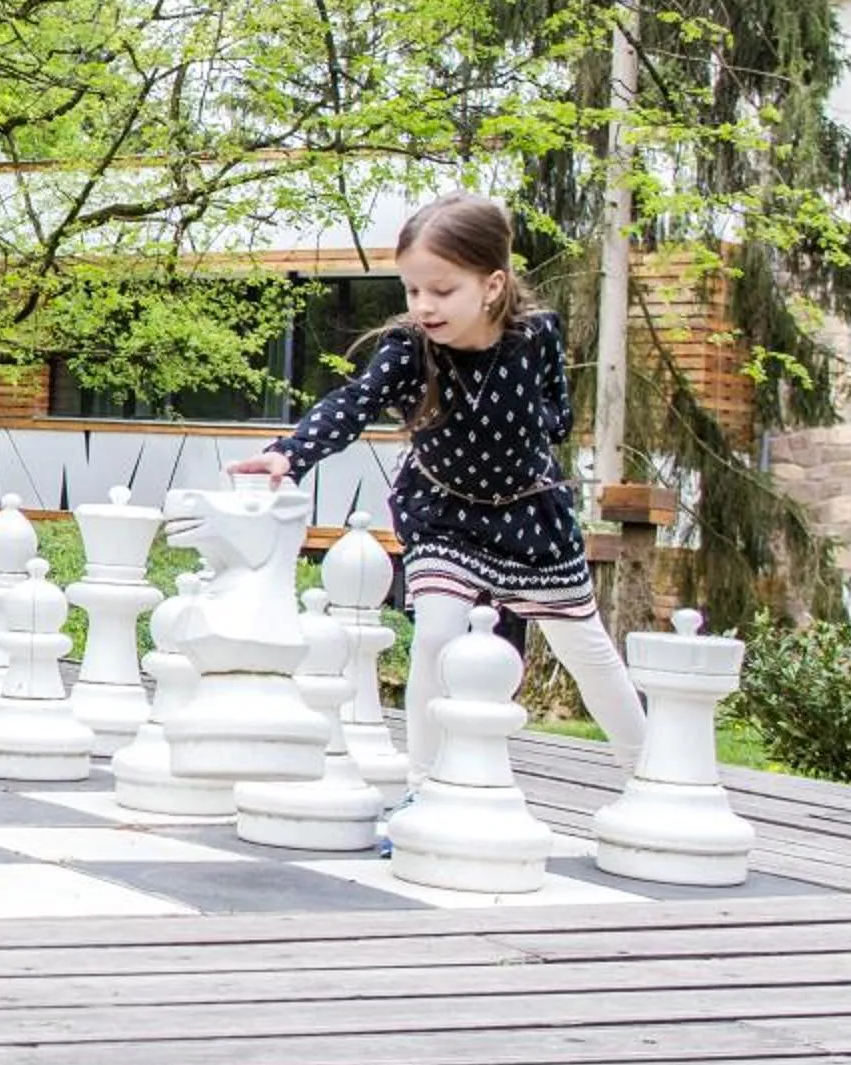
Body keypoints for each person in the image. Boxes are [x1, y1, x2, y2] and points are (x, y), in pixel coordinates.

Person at [226, 192, 645, 784]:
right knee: (437, 636)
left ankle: (650, 775)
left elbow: (557, 411)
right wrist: (288, 454)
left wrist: (531, 435)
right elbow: (355, 402)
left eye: (442, 291)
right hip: (442, 512)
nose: (424, 306)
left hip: (530, 516)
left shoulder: (536, 336)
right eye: (412, 290)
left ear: (493, 285)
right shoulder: (408, 349)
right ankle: (422, 787)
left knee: (589, 654)